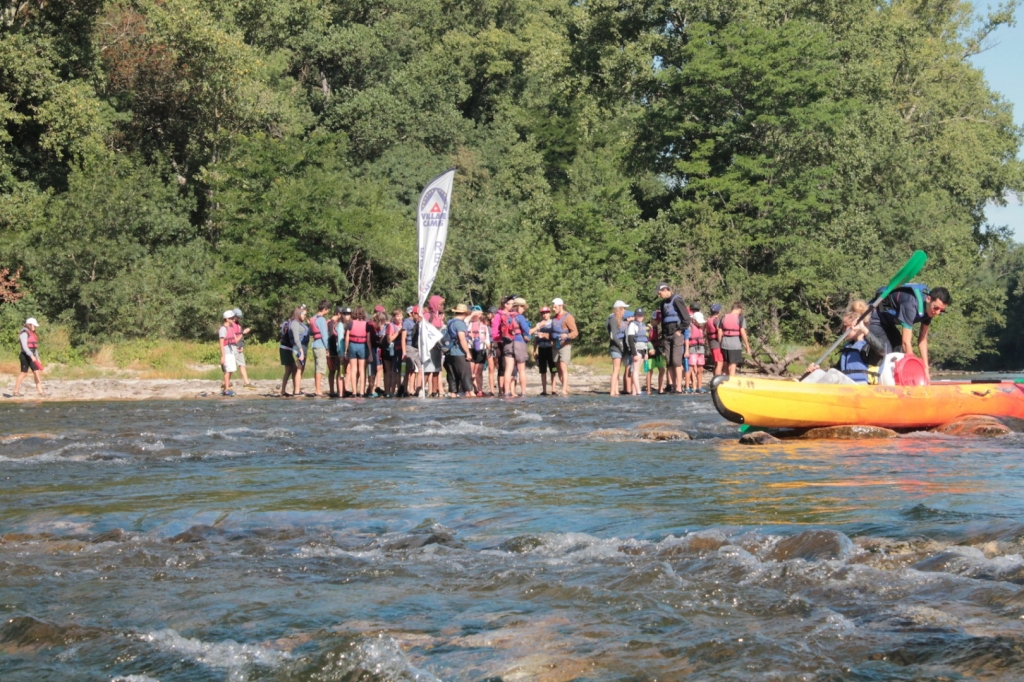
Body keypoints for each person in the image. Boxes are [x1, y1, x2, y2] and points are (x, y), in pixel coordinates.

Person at [867, 284, 950, 381]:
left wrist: (926, 369)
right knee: (887, 353)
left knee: (900, 352)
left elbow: (922, 341)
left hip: (888, 323)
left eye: (942, 310)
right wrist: (914, 369)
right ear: (928, 299)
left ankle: (901, 382)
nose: (937, 312)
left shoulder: (929, 311)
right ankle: (876, 380)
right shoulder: (911, 305)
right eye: (936, 308)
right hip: (873, 319)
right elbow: (906, 342)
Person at [804, 301, 887, 384]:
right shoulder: (848, 347)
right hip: (846, 388)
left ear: (855, 326)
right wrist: (817, 370)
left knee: (834, 375)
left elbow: (881, 350)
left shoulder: (869, 346)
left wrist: (863, 328)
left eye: (845, 326)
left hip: (862, 388)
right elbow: (836, 371)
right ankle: (799, 389)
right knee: (818, 373)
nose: (843, 330)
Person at [656, 283, 692, 394]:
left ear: (666, 290)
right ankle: (671, 386)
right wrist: (662, 338)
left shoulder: (677, 300)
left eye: (660, 293)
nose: (659, 295)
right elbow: (662, 321)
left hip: (676, 334)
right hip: (666, 336)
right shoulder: (662, 304)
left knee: (676, 361)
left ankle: (678, 388)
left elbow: (686, 319)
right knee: (669, 362)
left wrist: (679, 330)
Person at [501, 297, 531, 397]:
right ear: (518, 307)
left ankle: (506, 392)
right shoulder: (520, 317)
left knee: (508, 369)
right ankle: (523, 393)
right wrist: (538, 327)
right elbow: (527, 330)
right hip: (519, 342)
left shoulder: (505, 316)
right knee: (521, 369)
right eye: (522, 307)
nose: (523, 309)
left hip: (507, 343)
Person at [549, 298, 578, 396]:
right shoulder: (554, 318)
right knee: (558, 368)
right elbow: (551, 333)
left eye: (555, 307)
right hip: (555, 346)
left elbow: (575, 332)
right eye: (553, 307)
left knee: (563, 366)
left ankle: (564, 390)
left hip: (565, 345)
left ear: (561, 306)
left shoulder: (568, 317)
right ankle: (566, 387)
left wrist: (567, 335)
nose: (553, 309)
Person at [445, 304, 475, 397]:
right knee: (465, 373)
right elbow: (462, 339)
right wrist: (467, 353)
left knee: (452, 375)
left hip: (449, 352)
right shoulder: (460, 323)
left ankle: (453, 393)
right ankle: (470, 392)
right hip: (459, 352)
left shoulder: (450, 322)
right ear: (465, 313)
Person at [279, 307, 309, 397]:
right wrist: (300, 350)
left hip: (291, 347)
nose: (305, 316)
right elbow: (296, 338)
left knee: (295, 369)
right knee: (291, 369)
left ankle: (295, 389)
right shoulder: (295, 324)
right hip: (289, 348)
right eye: (304, 314)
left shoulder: (297, 323)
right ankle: (291, 390)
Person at [718, 301, 752, 377]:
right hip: (734, 345)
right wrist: (747, 346)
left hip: (724, 344)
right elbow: (743, 332)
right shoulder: (740, 318)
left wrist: (720, 343)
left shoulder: (724, 317)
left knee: (725, 366)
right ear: (739, 309)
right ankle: (731, 385)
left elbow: (719, 332)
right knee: (732, 368)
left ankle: (723, 384)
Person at [13, 317, 44, 397]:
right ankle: (16, 391)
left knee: (36, 372)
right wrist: (31, 355)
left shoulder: (32, 333)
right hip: (25, 355)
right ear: (30, 325)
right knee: (23, 373)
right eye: (34, 325)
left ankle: (40, 392)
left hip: (32, 355)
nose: (35, 327)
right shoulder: (24, 333)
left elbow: (34, 348)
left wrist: (37, 358)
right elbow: (25, 346)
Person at [345, 306, 370, 398]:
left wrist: (345, 350)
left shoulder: (350, 323)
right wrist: (370, 351)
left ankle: (354, 392)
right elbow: (368, 339)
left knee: (353, 369)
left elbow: (347, 337)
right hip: (362, 346)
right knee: (362, 370)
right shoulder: (366, 324)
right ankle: (362, 392)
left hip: (352, 345)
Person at [424, 295, 445, 397]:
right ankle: (422, 390)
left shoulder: (439, 316)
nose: (442, 306)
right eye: (441, 304)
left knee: (437, 370)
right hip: (429, 347)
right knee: (428, 370)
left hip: (437, 347)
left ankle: (434, 391)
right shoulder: (428, 316)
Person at [309, 300, 331, 397]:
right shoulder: (321, 320)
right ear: (325, 309)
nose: (328, 311)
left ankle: (317, 388)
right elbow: (324, 336)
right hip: (321, 346)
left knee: (317, 368)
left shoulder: (313, 318)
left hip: (314, 345)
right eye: (328, 309)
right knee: (321, 368)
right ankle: (318, 390)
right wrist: (328, 348)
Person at [606, 301, 628, 396]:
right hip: (615, 347)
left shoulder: (620, 319)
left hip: (620, 347)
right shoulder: (613, 319)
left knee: (618, 369)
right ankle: (612, 391)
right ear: (620, 309)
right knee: (616, 369)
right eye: (623, 308)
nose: (625, 310)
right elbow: (613, 335)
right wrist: (621, 345)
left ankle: (616, 390)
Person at [230, 308, 255, 390]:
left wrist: (242, 346)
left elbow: (241, 338)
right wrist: (243, 333)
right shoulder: (231, 326)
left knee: (242, 364)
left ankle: (246, 382)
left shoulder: (239, 326)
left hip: (239, 348)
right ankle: (225, 382)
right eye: (238, 317)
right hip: (232, 348)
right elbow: (234, 339)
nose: (239, 319)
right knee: (231, 366)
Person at [533, 306, 556, 395]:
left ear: (549, 313)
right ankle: (544, 390)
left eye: (546, 313)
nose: (544, 315)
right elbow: (535, 340)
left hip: (551, 349)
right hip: (541, 349)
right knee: (543, 370)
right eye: (543, 313)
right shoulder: (538, 325)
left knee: (553, 369)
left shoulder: (553, 323)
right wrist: (534, 351)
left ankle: (553, 390)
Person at [467, 306, 490, 396]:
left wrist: (489, 349)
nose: (477, 315)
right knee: (470, 370)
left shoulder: (484, 325)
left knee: (478, 371)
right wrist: (472, 314)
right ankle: (469, 389)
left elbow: (487, 338)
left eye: (479, 313)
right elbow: (465, 322)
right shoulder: (468, 323)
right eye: (476, 313)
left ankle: (479, 390)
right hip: (470, 347)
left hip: (481, 348)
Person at [382, 308, 404, 397]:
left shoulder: (403, 324)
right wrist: (398, 332)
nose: (399, 318)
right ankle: (391, 391)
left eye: (400, 316)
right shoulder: (391, 326)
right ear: (394, 317)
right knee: (394, 371)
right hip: (394, 351)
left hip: (402, 351)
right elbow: (389, 339)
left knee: (399, 372)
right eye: (397, 316)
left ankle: (399, 390)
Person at [219, 310, 239, 396]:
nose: (233, 319)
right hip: (226, 351)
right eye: (231, 318)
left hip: (231, 351)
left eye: (233, 317)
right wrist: (223, 356)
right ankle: (226, 389)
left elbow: (235, 340)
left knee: (231, 370)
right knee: (227, 370)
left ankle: (226, 386)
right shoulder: (223, 329)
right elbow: (221, 343)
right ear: (226, 319)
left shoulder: (231, 328)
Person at [625, 309, 645, 396]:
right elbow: (630, 340)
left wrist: (646, 352)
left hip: (643, 349)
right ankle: (639, 391)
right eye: (638, 315)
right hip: (636, 349)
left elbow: (646, 340)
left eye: (641, 315)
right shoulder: (632, 325)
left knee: (637, 371)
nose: (640, 317)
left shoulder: (643, 325)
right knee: (635, 371)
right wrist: (634, 353)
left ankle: (634, 392)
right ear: (635, 315)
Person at [687, 306, 707, 393]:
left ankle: (699, 386)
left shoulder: (700, 328)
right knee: (690, 368)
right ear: (693, 320)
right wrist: (686, 350)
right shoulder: (690, 327)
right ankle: (687, 387)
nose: (700, 323)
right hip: (692, 349)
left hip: (700, 350)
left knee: (700, 369)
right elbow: (687, 339)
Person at [404, 306, 423, 397]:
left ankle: (417, 389)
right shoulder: (407, 322)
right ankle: (406, 389)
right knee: (410, 370)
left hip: (417, 347)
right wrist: (404, 351)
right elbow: (403, 337)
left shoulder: (417, 322)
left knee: (419, 369)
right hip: (409, 347)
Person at [327, 306, 346, 397]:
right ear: (338, 314)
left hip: (336, 349)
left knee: (339, 370)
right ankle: (332, 390)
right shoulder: (331, 323)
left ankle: (339, 390)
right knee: (333, 370)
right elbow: (330, 336)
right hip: (332, 350)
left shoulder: (338, 323)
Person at [647, 311, 666, 394]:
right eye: (656, 320)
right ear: (652, 319)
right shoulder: (648, 327)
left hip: (657, 349)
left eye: (659, 320)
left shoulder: (657, 328)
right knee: (649, 370)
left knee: (662, 369)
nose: (658, 322)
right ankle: (648, 390)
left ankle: (660, 389)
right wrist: (650, 349)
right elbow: (646, 339)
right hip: (650, 351)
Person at [706, 303, 724, 376]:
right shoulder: (716, 320)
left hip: (712, 343)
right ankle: (717, 381)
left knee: (716, 363)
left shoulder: (709, 320)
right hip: (717, 343)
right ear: (718, 311)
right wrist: (721, 342)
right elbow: (719, 332)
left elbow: (707, 334)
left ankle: (714, 380)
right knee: (720, 363)